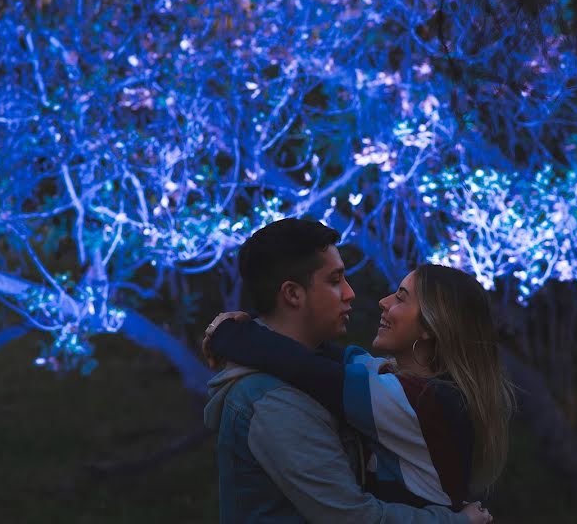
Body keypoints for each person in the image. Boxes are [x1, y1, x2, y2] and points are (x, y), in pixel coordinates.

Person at [202, 218, 491, 524]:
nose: (350, 293)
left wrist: (236, 335)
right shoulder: (276, 401)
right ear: (293, 294)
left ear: (432, 328)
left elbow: (324, 368)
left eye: (402, 298)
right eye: (335, 279)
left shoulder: (416, 396)